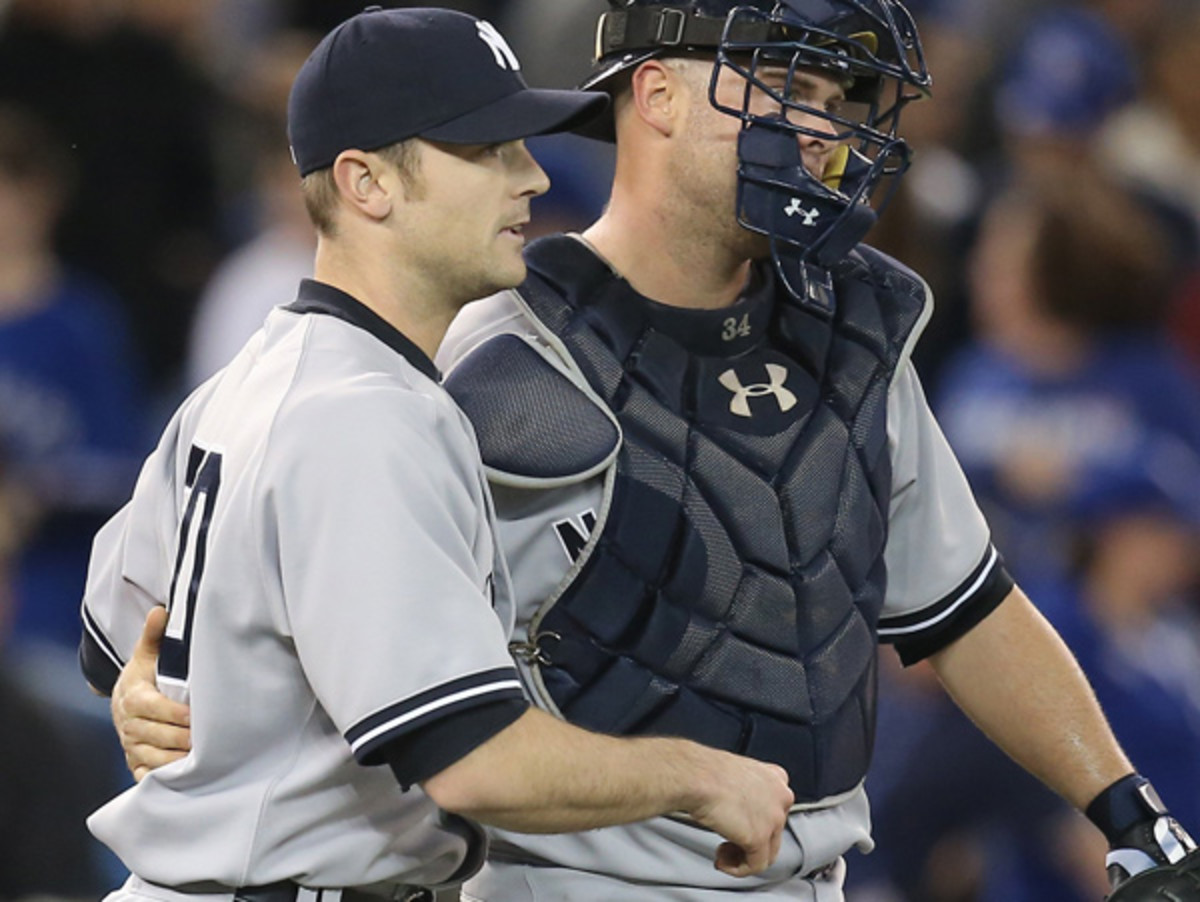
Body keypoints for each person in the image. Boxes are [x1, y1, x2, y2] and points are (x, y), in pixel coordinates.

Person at [107, 2, 1200, 900]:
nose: (821, 131)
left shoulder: (850, 336)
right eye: (787, 89)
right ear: (661, 96)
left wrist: (1124, 804)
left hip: (808, 873)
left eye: (835, 100)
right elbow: (244, 531)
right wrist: (157, 681)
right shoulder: (482, 345)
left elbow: (966, 605)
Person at [79, 8, 796, 901]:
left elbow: (119, 639)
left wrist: (148, 696)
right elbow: (475, 763)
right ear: (366, 182)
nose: (531, 176)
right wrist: (700, 775)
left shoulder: (253, 378)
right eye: (489, 149)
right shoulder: (360, 417)